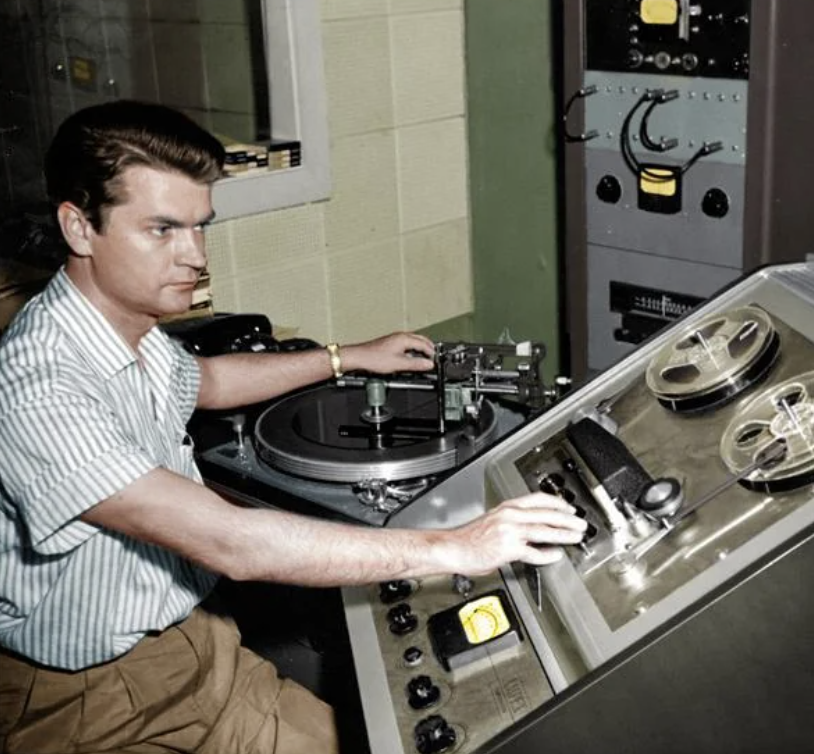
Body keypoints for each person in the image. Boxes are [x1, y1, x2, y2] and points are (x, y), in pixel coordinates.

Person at [0, 101, 586, 754]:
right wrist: (453, 547)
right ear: (79, 228)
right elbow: (233, 542)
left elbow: (212, 380)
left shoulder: (127, 330)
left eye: (200, 227)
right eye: (163, 230)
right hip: (86, 704)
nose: (194, 257)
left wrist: (348, 356)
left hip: (202, 653)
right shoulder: (39, 384)